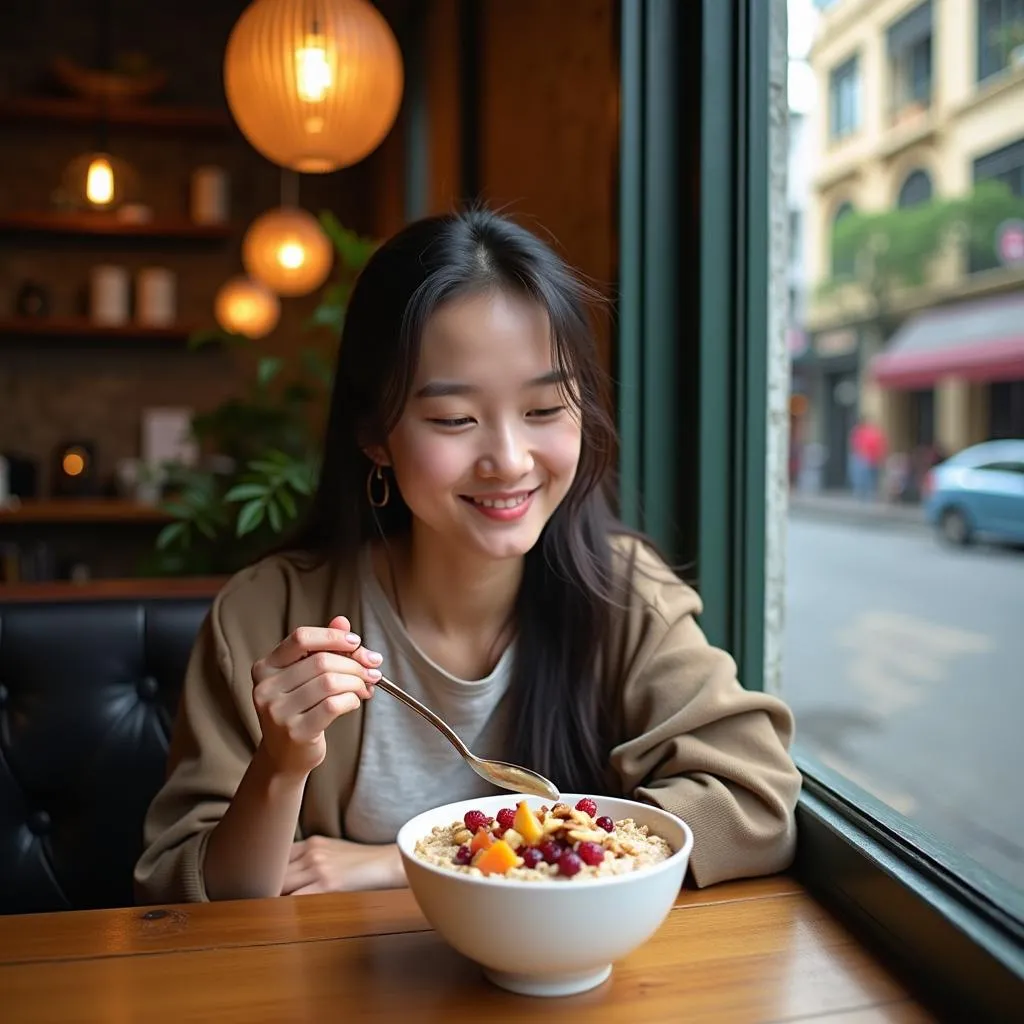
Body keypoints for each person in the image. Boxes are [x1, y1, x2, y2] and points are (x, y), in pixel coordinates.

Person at [135, 209, 801, 904]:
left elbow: (754, 803)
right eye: (455, 419)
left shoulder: (621, 591)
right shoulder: (268, 612)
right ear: (374, 435)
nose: (509, 461)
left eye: (545, 409)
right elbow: (185, 895)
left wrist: (409, 863)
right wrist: (280, 765)